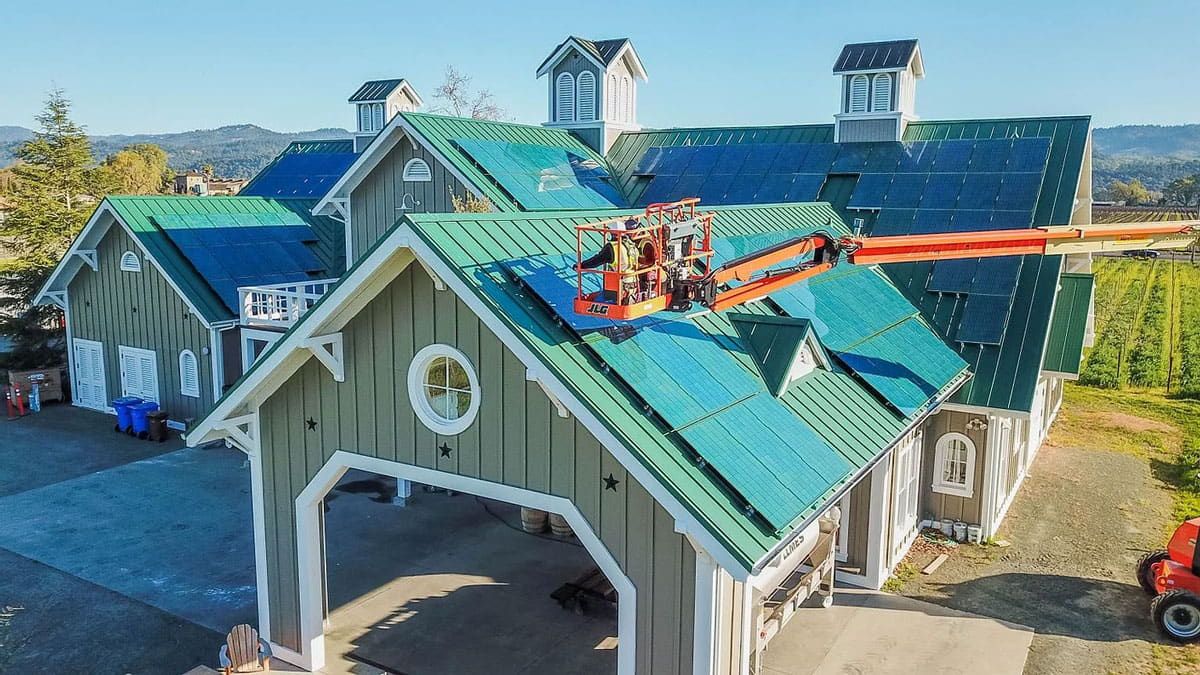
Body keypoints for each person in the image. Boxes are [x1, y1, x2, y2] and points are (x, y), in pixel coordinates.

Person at [580, 218, 646, 303]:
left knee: (596, 301)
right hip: (633, 285)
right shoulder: (631, 245)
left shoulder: (612, 247)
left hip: (619, 287)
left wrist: (581, 265)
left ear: (612, 233)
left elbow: (597, 260)